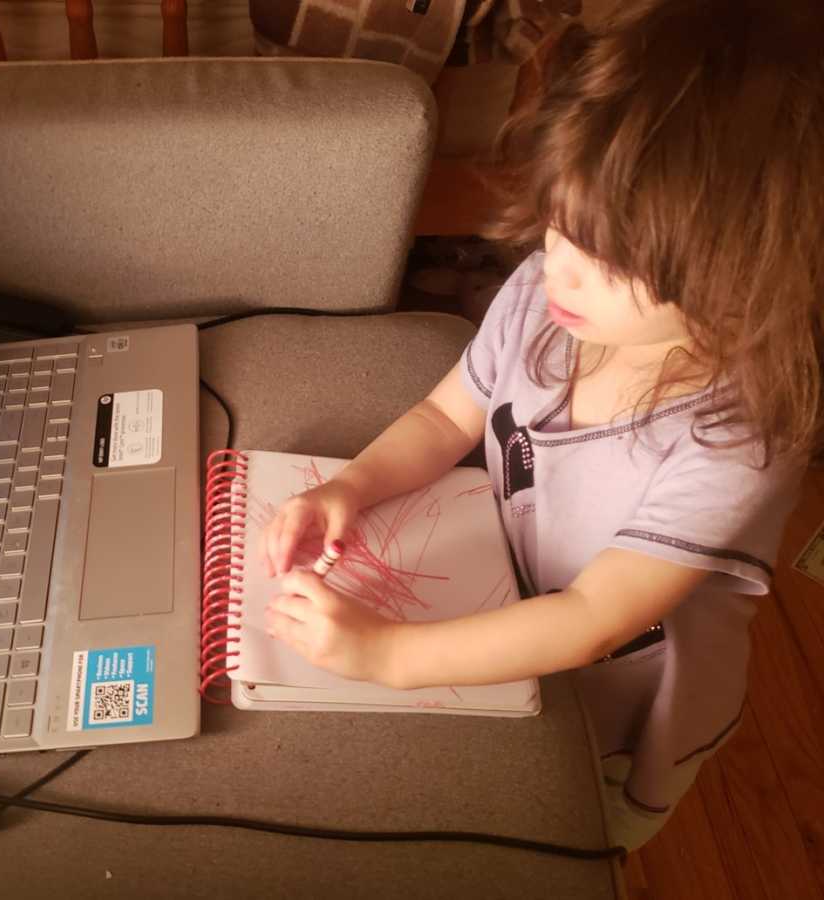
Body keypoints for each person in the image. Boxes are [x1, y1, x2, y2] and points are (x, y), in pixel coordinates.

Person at [260, 0, 823, 850]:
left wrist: (388, 659)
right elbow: (446, 412)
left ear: (744, 276)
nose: (559, 265)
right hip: (504, 583)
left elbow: (597, 615)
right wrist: (353, 484)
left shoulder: (736, 440)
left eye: (612, 258)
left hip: (624, 690)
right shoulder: (547, 294)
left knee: (594, 818)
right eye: (564, 220)